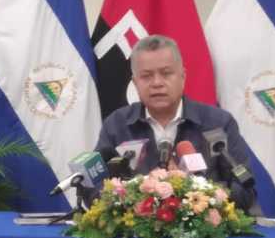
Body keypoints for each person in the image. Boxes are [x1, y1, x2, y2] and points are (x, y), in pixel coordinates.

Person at [95, 34, 258, 213]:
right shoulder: (117, 125)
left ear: (182, 77)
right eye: (146, 76)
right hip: (136, 228)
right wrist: (135, 198)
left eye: (166, 73)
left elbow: (245, 191)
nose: (157, 83)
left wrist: (200, 196)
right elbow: (94, 188)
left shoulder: (218, 123)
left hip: (204, 228)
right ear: (135, 83)